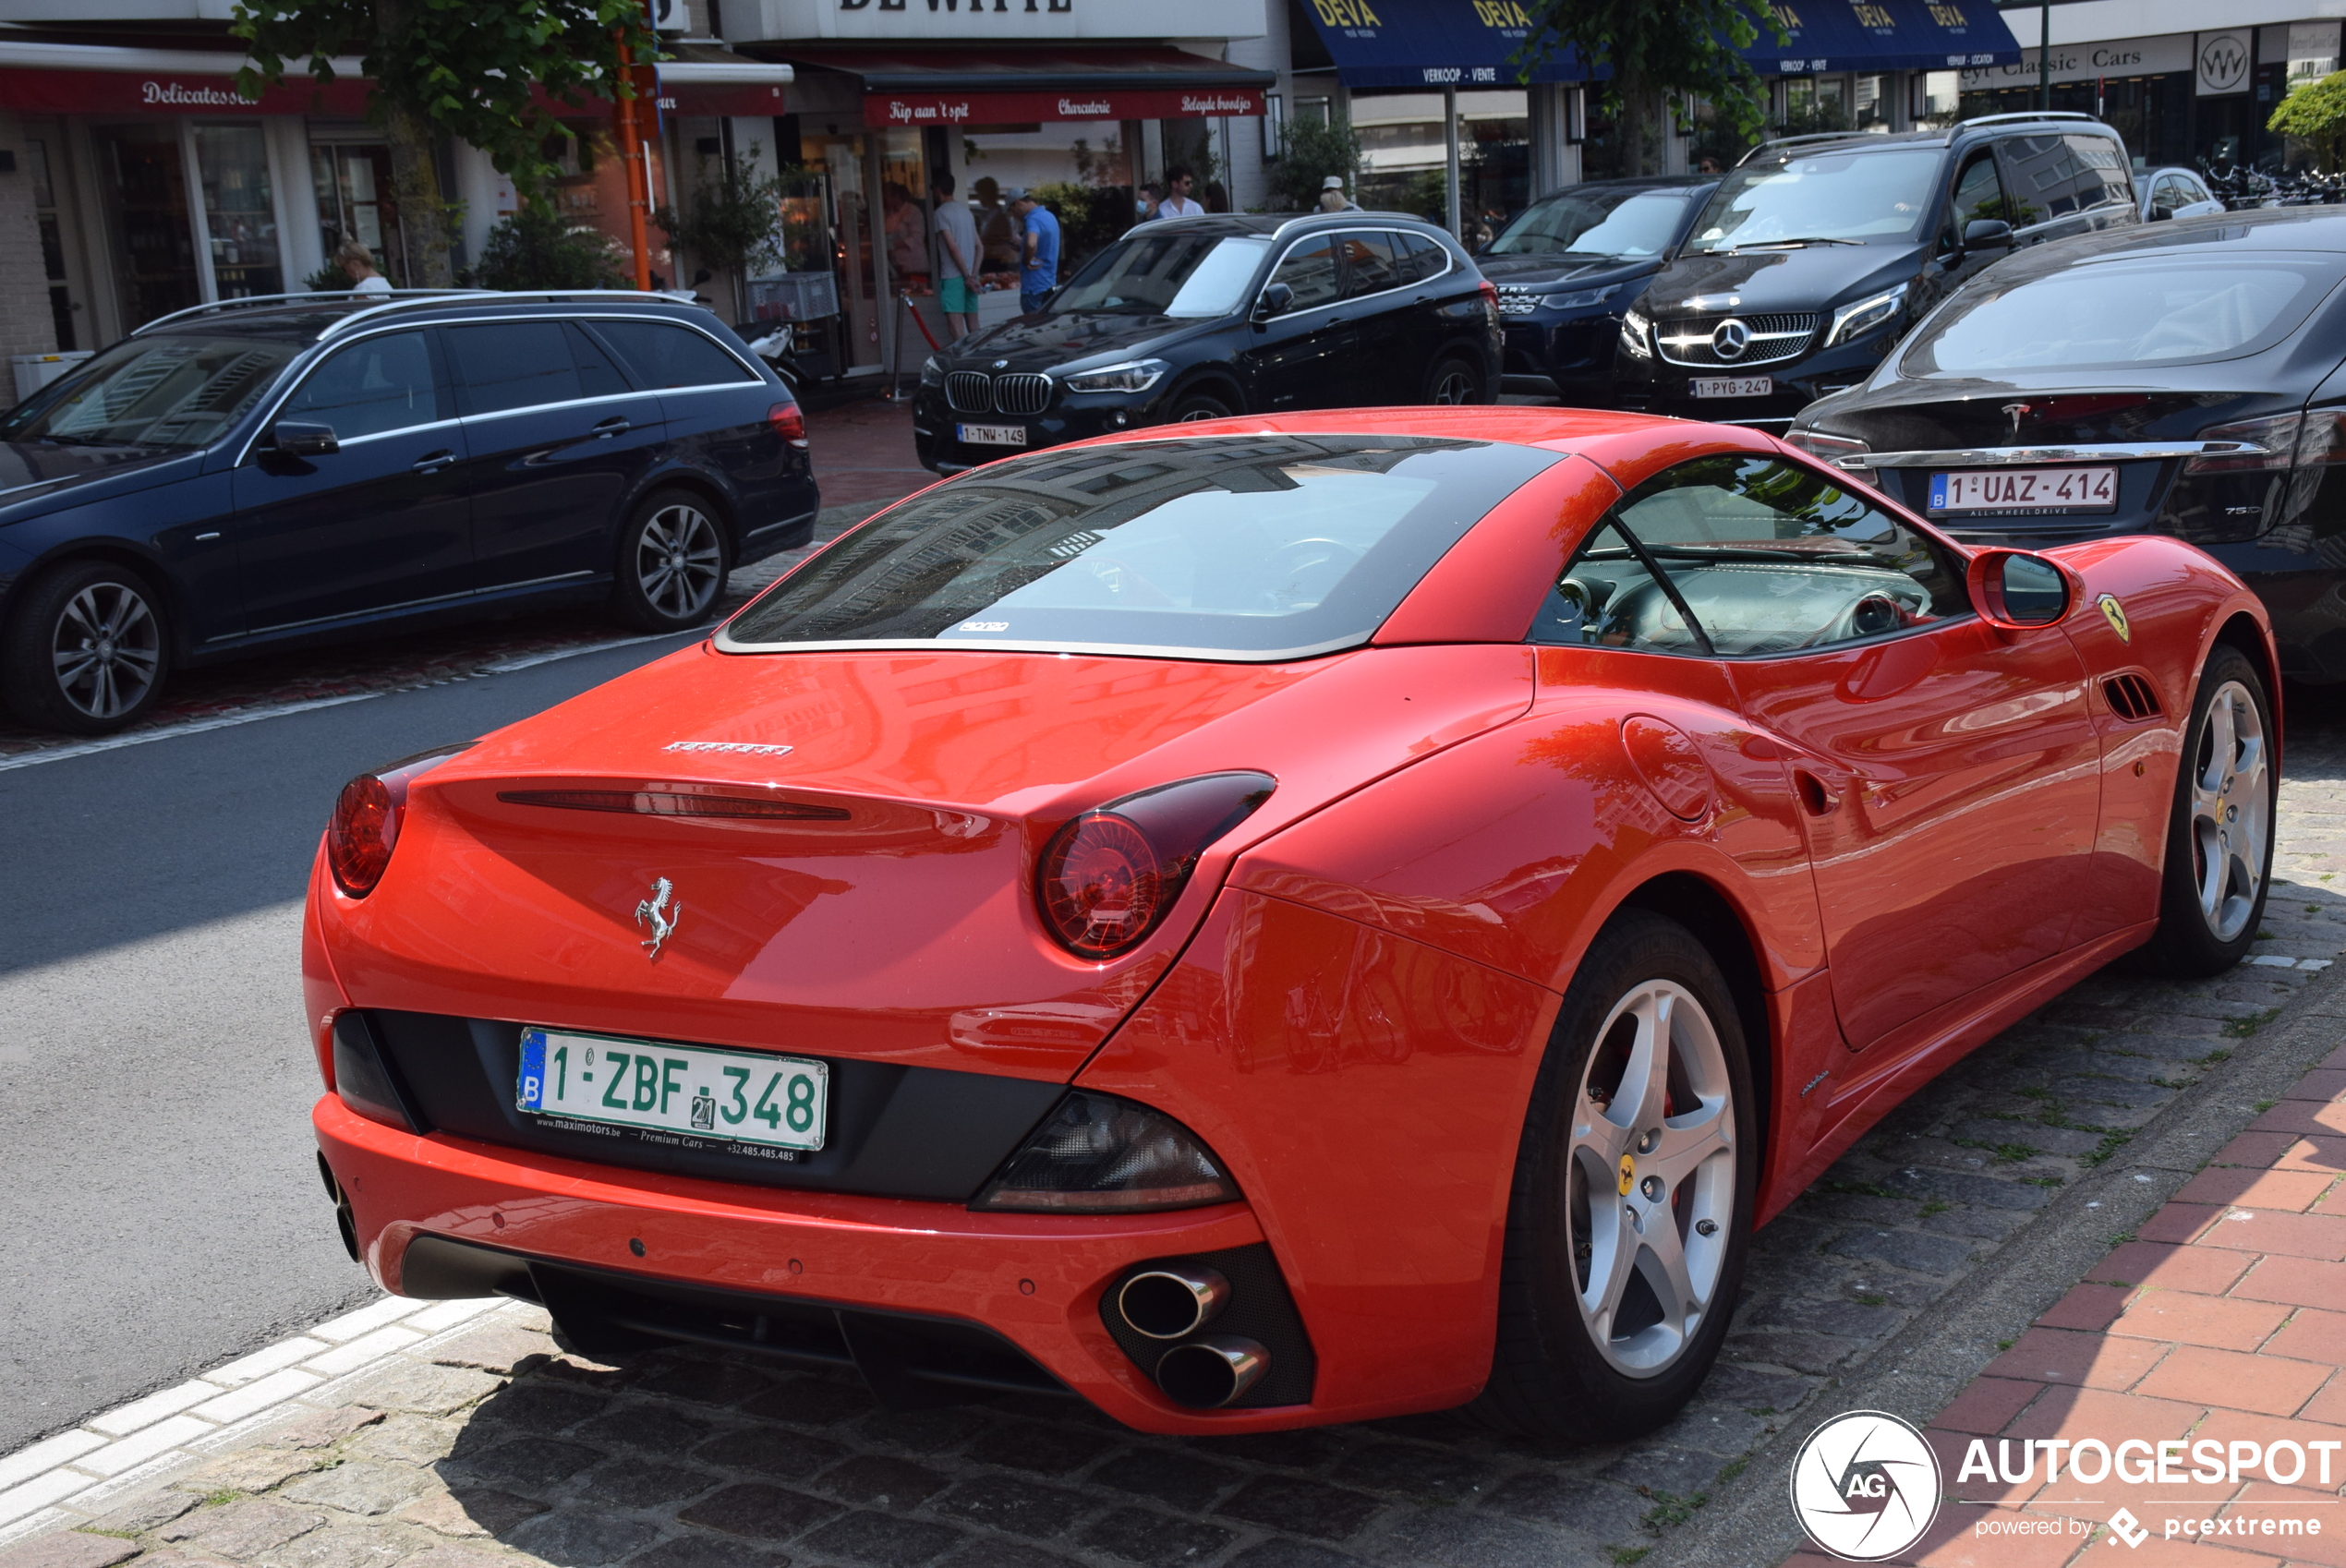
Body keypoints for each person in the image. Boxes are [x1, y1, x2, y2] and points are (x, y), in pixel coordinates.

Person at [930, 171, 981, 340]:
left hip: (953, 277)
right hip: (971, 276)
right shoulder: (966, 212)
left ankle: (962, 363)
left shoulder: (941, 213)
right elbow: (979, 247)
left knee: (956, 329)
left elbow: (953, 248)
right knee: (974, 326)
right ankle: (979, 360)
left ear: (938, 189)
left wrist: (966, 276)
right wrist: (973, 275)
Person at [1008, 187, 1060, 314]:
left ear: (1018, 203)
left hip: (1033, 287)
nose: (1014, 215)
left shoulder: (1032, 219)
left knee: (1033, 328)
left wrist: (1027, 260)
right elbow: (1043, 244)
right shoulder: (1049, 216)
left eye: (1012, 210)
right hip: (1048, 284)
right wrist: (1022, 245)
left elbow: (1031, 244)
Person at [881, 181, 928, 289]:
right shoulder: (889, 214)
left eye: (887, 197)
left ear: (896, 196)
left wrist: (894, 245)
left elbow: (917, 237)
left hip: (914, 263)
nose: (885, 200)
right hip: (897, 264)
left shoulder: (912, 211)